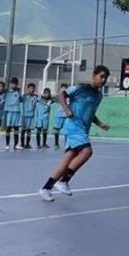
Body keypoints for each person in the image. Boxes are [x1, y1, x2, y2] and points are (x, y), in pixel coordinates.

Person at [39, 66, 110, 202]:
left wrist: (100, 123)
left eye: (105, 78)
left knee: (68, 159)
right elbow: (61, 95)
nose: (103, 80)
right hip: (73, 126)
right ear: (94, 75)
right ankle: (64, 181)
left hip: (82, 129)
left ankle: (46, 188)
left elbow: (91, 112)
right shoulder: (81, 88)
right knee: (87, 152)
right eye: (101, 76)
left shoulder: (99, 96)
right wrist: (67, 110)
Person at [3, 77, 22, 150]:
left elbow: (20, 100)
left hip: (17, 110)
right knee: (8, 127)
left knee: (16, 128)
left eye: (15, 84)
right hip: (9, 111)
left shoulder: (18, 92)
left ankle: (16, 144)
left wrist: (19, 93)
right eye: (12, 83)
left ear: (17, 84)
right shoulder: (6, 91)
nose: (13, 85)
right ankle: (7, 144)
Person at [20, 82, 38, 149]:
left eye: (33, 88)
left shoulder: (35, 97)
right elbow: (19, 99)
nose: (32, 89)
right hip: (24, 115)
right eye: (30, 88)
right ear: (27, 89)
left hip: (31, 115)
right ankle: (22, 144)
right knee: (23, 130)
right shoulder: (24, 96)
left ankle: (27, 144)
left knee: (29, 130)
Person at [52, 82, 68, 149]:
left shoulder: (69, 96)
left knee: (67, 130)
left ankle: (67, 144)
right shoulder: (58, 95)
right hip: (59, 114)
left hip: (66, 115)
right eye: (62, 88)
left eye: (65, 88)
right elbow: (53, 100)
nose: (64, 89)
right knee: (56, 129)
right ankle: (56, 143)